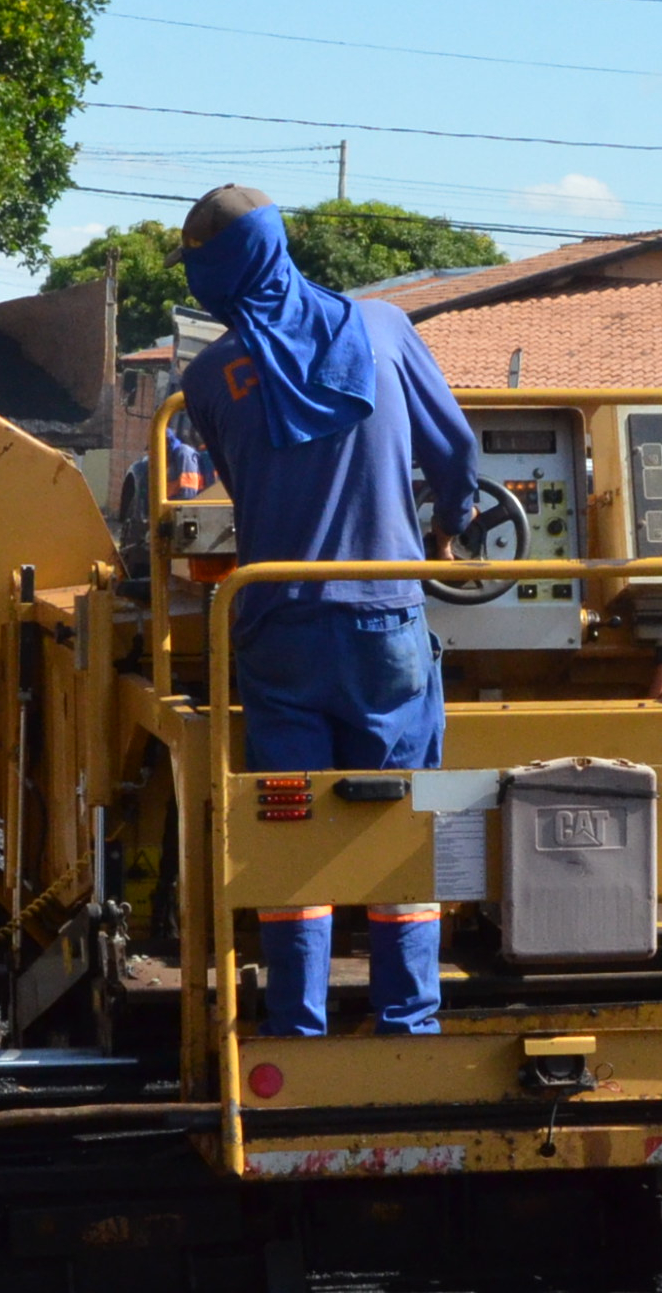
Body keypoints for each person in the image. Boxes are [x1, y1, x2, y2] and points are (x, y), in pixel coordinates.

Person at [174, 183, 482, 1036]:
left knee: (294, 831)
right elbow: (455, 449)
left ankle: (296, 1028)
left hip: (275, 630)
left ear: (215, 272)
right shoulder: (384, 330)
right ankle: (408, 1025)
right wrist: (448, 531)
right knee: (399, 822)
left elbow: (251, 490)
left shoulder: (205, 380)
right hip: (386, 625)